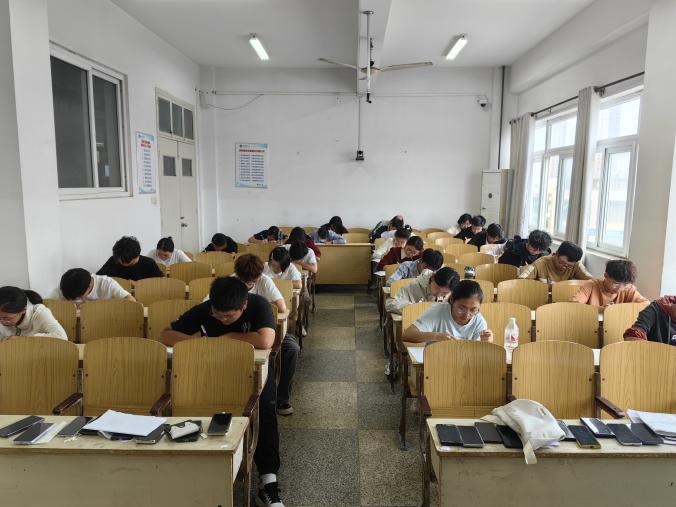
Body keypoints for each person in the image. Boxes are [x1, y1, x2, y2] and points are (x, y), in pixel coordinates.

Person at [159, 277, 284, 505]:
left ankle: (268, 481)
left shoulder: (259, 305)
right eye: (218, 315)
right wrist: (201, 345)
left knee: (265, 411)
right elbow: (166, 334)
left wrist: (228, 337)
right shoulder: (207, 309)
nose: (222, 320)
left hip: (252, 372)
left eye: (228, 316)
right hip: (214, 373)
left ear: (243, 306)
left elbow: (266, 340)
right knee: (193, 403)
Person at [234, 255, 300, 416]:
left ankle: (282, 398)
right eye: (245, 280)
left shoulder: (264, 281)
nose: (249, 283)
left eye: (253, 280)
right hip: (237, 331)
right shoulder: (230, 282)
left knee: (291, 348)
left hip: (265, 329)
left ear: (259, 275)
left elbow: (282, 307)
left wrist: (259, 308)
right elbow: (207, 304)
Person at [402, 280, 494, 343]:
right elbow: (407, 335)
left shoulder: (479, 321)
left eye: (473, 310)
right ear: (452, 300)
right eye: (461, 309)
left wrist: (486, 342)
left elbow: (477, 354)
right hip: (437, 361)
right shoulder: (438, 311)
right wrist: (436, 336)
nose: (467, 315)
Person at [571, 260, 648, 309]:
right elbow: (573, 305)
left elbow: (646, 305)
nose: (620, 289)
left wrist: (621, 310)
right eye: (616, 283)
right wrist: (599, 310)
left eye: (625, 285)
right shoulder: (591, 285)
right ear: (606, 276)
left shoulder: (629, 289)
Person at [0, 286, 67, 340]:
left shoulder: (39, 313)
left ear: (23, 310)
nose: (1, 322)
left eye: (7, 318)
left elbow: (61, 337)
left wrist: (22, 339)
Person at [385, 267, 459, 315]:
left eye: (445, 293)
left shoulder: (453, 294)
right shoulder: (414, 286)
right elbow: (390, 304)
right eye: (436, 288)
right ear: (432, 277)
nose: (438, 294)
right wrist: (415, 308)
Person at [518, 241, 592, 282]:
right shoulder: (540, 263)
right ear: (556, 254)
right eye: (562, 262)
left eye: (569, 266)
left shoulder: (576, 265)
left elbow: (591, 279)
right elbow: (520, 280)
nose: (564, 267)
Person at [97, 236, 163, 281]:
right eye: (119, 260)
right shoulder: (113, 260)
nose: (121, 262)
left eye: (125, 261)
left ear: (136, 256)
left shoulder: (149, 263)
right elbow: (97, 278)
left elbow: (161, 283)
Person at [54, 268, 135, 303]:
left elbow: (131, 301)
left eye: (80, 296)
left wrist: (97, 305)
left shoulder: (107, 283)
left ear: (89, 286)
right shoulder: (68, 284)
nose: (78, 299)